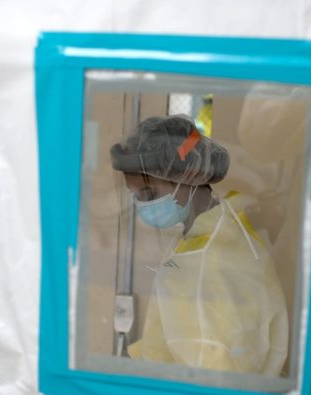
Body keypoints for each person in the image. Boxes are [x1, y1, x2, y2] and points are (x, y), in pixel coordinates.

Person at [110, 115, 288, 377]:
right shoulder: (195, 236)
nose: (142, 206)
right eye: (135, 196)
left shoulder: (222, 256)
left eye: (149, 194)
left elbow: (220, 371)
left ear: (190, 175)